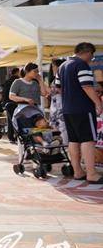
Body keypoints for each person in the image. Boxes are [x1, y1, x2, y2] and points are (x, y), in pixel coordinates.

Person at [55, 43, 103, 183]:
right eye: (92, 55)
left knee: (73, 140)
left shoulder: (62, 66)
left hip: (68, 109)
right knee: (87, 139)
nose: (92, 58)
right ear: (87, 52)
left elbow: (58, 88)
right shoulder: (82, 65)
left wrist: (71, 95)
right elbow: (87, 87)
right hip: (83, 109)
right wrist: (98, 103)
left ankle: (78, 172)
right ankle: (92, 174)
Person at [48, 59, 68, 145]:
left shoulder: (63, 77)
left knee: (63, 127)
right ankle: (58, 147)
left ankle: (65, 147)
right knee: (54, 127)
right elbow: (49, 92)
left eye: (53, 66)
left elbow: (64, 91)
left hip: (61, 106)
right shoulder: (54, 79)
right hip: (54, 107)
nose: (52, 68)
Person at [2, 68, 21, 143]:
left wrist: (4, 104)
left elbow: (4, 94)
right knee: (17, 121)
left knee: (10, 121)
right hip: (15, 103)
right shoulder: (17, 81)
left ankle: (11, 137)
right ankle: (16, 137)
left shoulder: (7, 81)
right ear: (17, 72)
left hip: (8, 104)